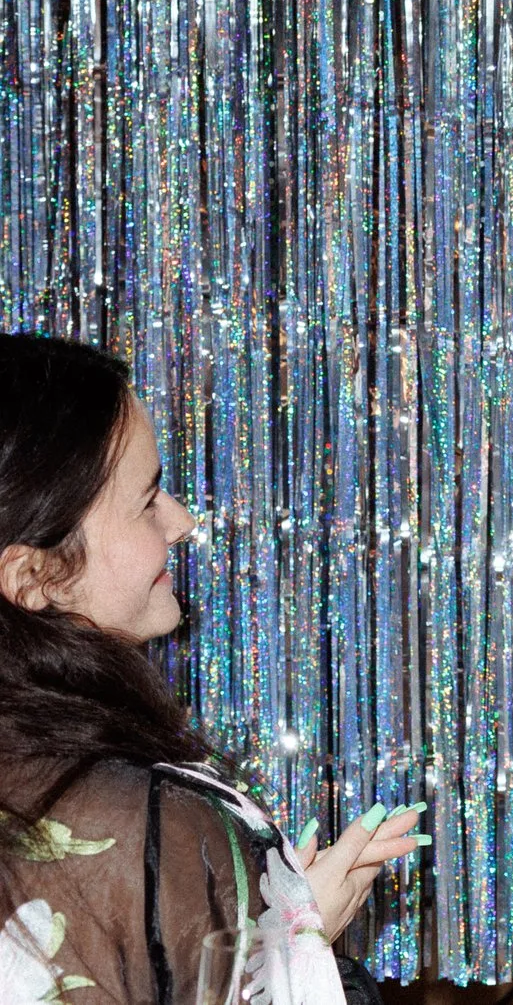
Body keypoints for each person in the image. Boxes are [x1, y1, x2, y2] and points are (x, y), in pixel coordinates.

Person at [0, 332, 425, 1005]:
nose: (183, 520)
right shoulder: (150, 828)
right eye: (147, 500)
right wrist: (289, 951)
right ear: (35, 575)